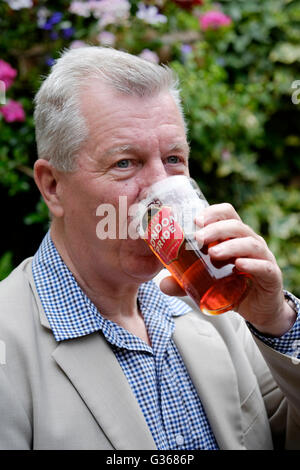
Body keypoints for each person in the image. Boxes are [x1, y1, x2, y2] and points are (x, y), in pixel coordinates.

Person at [0, 46, 299, 451]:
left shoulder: (214, 306)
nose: (160, 193)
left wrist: (277, 322)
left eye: (174, 158)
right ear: (53, 186)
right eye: (125, 163)